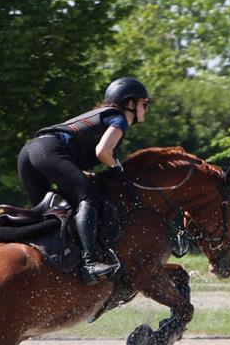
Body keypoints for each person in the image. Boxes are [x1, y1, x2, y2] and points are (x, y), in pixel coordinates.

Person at [18, 77, 150, 282]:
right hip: (49, 150)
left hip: (29, 152)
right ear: (130, 104)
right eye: (145, 103)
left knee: (45, 214)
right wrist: (118, 170)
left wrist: (83, 173)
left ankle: (45, 265)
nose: (146, 109)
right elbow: (103, 152)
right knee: (89, 198)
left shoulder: (101, 115)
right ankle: (89, 264)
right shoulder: (119, 119)